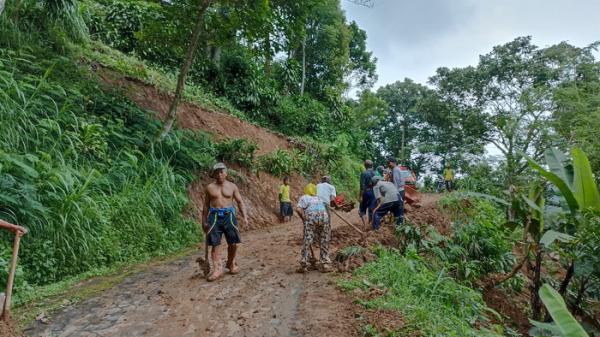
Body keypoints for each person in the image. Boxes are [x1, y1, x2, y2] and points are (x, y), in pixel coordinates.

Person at [202, 163, 248, 282]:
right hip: (214, 217)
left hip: (229, 216)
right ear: (214, 174)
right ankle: (217, 268)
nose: (220, 174)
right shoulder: (210, 188)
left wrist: (245, 216)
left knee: (234, 243)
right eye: (217, 172)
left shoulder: (232, 186)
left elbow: (240, 202)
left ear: (226, 173)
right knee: (215, 244)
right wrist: (204, 221)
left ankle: (231, 263)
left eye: (222, 172)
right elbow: (206, 206)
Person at [295, 184, 330, 273]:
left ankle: (304, 264)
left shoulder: (304, 197)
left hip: (311, 216)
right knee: (324, 239)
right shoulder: (319, 198)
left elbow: (298, 209)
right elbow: (326, 208)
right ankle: (325, 264)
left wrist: (303, 219)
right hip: (324, 216)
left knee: (307, 240)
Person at [387, 157, 405, 224]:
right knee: (398, 208)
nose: (387, 165)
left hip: (398, 191)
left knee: (398, 208)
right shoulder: (395, 169)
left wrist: (394, 194)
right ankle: (399, 222)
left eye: (388, 163)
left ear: (392, 162)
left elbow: (396, 183)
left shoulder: (396, 170)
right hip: (400, 191)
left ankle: (399, 223)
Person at [358, 160, 376, 227]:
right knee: (371, 209)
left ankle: (365, 225)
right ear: (372, 165)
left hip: (366, 192)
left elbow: (362, 186)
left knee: (362, 209)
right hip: (373, 192)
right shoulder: (375, 174)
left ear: (365, 166)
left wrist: (360, 196)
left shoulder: (364, 173)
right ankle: (370, 224)